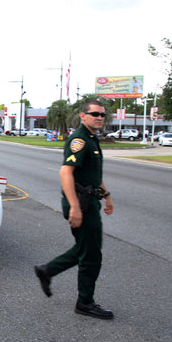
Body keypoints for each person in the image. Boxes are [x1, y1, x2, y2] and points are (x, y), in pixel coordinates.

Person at [34, 99, 115, 320]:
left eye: (102, 115)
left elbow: (93, 176)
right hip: (81, 203)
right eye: (95, 114)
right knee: (91, 255)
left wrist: (107, 197)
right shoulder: (79, 140)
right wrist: (76, 208)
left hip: (89, 201)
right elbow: (65, 173)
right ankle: (85, 302)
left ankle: (47, 270)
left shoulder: (91, 139)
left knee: (86, 248)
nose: (99, 117)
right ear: (83, 116)